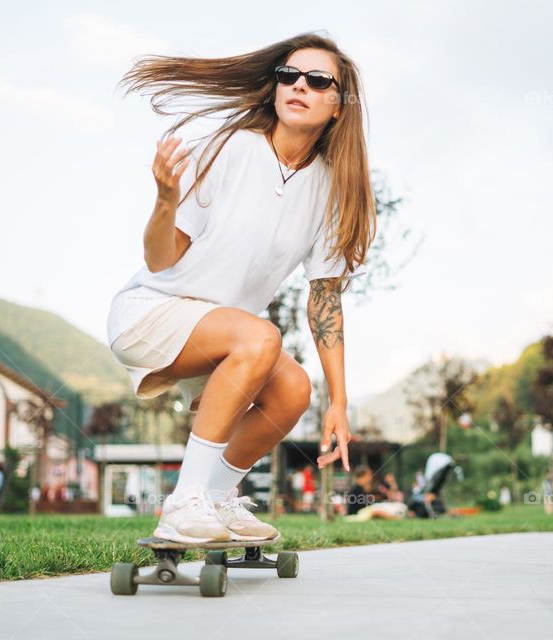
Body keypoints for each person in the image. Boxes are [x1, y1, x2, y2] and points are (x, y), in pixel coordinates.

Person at [106, 33, 374, 544]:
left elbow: (325, 299)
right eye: (288, 76)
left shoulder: (330, 190)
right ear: (274, 88)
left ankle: (219, 497)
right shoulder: (230, 147)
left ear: (339, 106)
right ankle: (184, 503)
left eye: (318, 81)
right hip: (152, 313)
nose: (299, 86)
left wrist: (339, 400)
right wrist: (165, 200)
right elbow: (160, 260)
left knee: (294, 390)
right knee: (262, 337)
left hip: (225, 333)